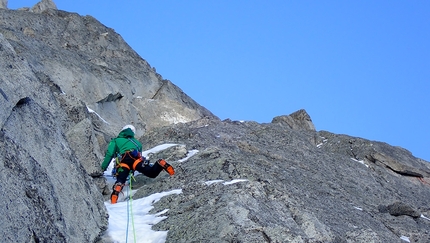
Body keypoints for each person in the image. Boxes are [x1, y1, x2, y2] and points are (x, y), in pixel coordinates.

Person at [101, 125, 175, 204]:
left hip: (123, 161)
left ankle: (116, 191)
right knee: (152, 173)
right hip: (136, 160)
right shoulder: (137, 143)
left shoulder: (116, 140)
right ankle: (159, 163)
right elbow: (140, 155)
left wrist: (103, 168)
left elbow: (109, 154)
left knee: (121, 178)